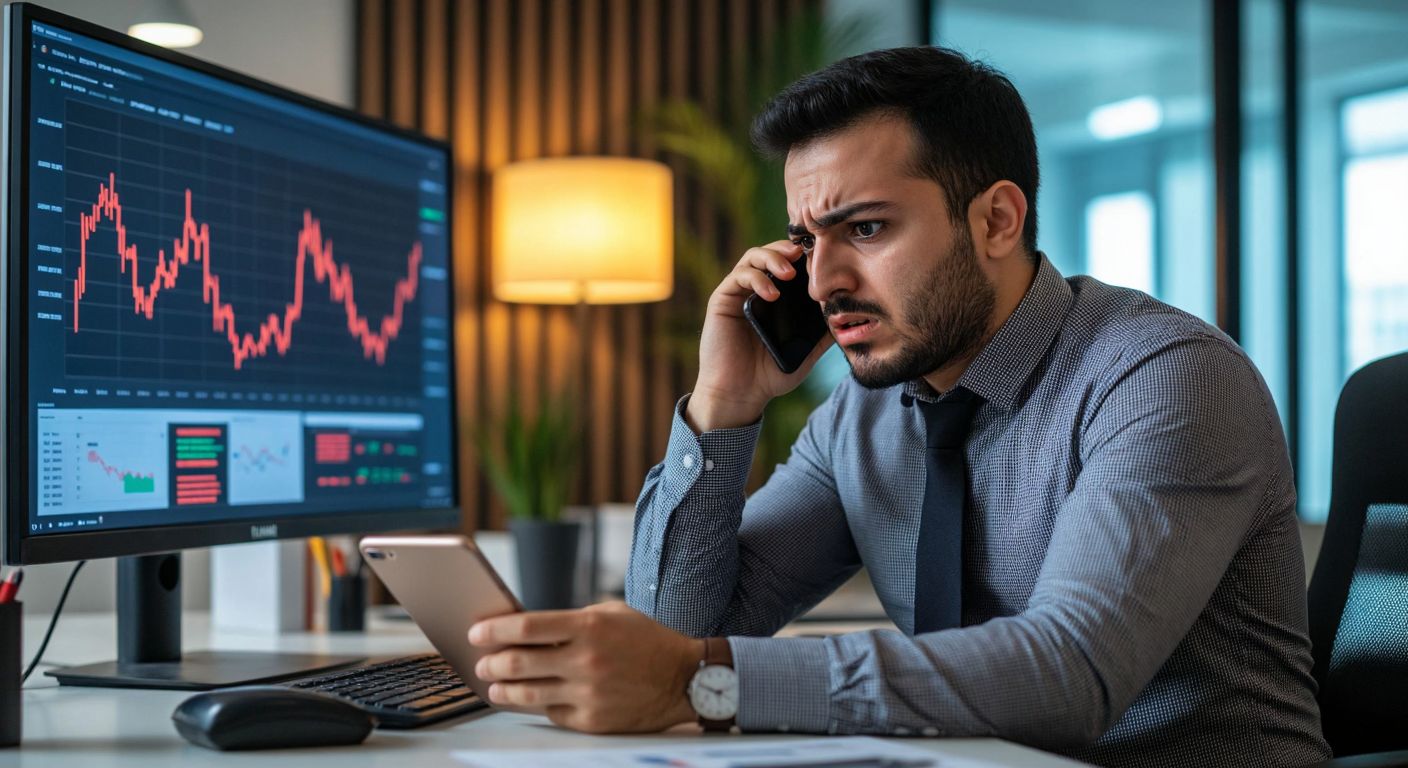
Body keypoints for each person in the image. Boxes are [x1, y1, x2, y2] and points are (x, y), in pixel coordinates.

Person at [467, 46, 1330, 767]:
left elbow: (1070, 673)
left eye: (867, 229)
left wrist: (701, 682)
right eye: (807, 241)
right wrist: (724, 405)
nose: (822, 282)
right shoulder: (863, 417)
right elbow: (677, 628)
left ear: (997, 220)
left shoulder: (1165, 378)